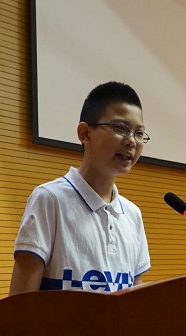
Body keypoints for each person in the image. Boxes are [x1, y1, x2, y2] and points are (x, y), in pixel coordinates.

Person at [9, 81, 151, 295]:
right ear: (85, 133)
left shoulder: (133, 214)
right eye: (120, 128)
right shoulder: (49, 199)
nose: (132, 141)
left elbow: (135, 299)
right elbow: (20, 304)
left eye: (139, 133)